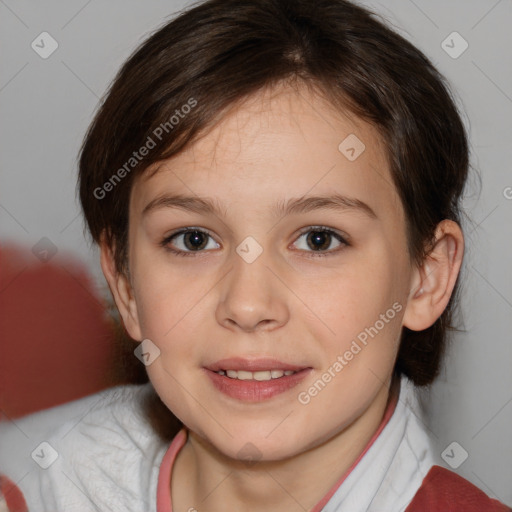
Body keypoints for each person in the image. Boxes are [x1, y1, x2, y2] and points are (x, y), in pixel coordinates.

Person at [1, 0, 510, 510]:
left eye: (318, 239)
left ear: (426, 276)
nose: (247, 305)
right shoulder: (33, 488)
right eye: (193, 239)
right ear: (126, 284)